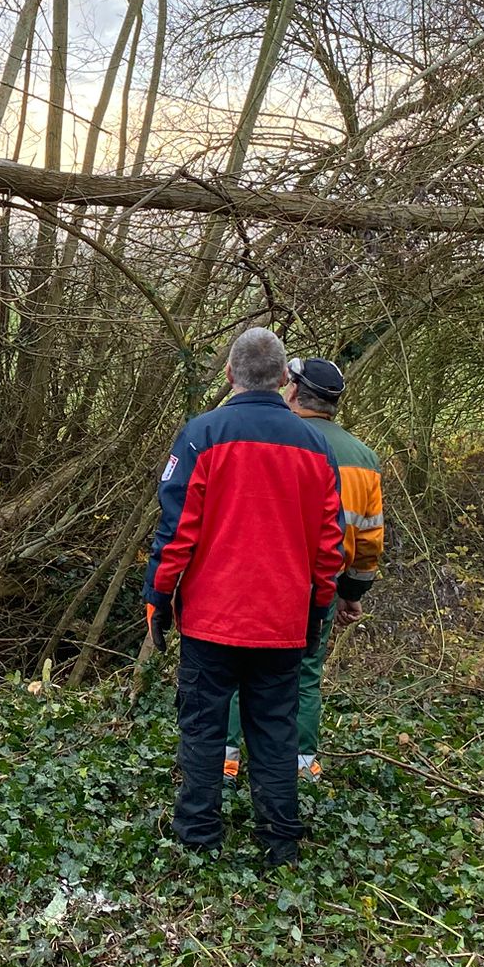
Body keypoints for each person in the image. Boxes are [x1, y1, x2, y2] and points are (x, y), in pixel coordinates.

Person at [144, 328, 344, 865]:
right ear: (284, 380)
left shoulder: (202, 435)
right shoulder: (314, 446)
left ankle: (199, 836)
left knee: (205, 726)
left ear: (230, 375)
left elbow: (176, 530)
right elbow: (331, 546)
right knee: (274, 729)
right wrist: (318, 607)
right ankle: (279, 840)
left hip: (212, 620)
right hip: (282, 619)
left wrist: (156, 599)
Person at [224, 356, 384, 784]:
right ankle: (300, 761)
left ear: (291, 390)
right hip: (324, 585)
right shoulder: (365, 459)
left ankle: (227, 756)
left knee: (241, 666)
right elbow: (368, 540)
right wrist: (353, 592)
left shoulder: (274, 438)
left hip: (267, 578)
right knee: (307, 672)